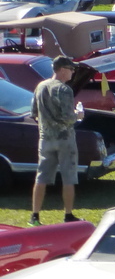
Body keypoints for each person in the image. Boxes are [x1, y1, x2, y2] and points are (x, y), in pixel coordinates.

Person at [29, 55, 83, 225]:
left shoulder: (40, 86)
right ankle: (68, 215)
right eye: (71, 69)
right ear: (61, 70)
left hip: (45, 139)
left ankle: (35, 216)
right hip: (65, 139)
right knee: (69, 177)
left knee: (41, 177)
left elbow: (34, 114)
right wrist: (79, 114)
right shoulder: (64, 89)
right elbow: (68, 117)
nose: (73, 72)